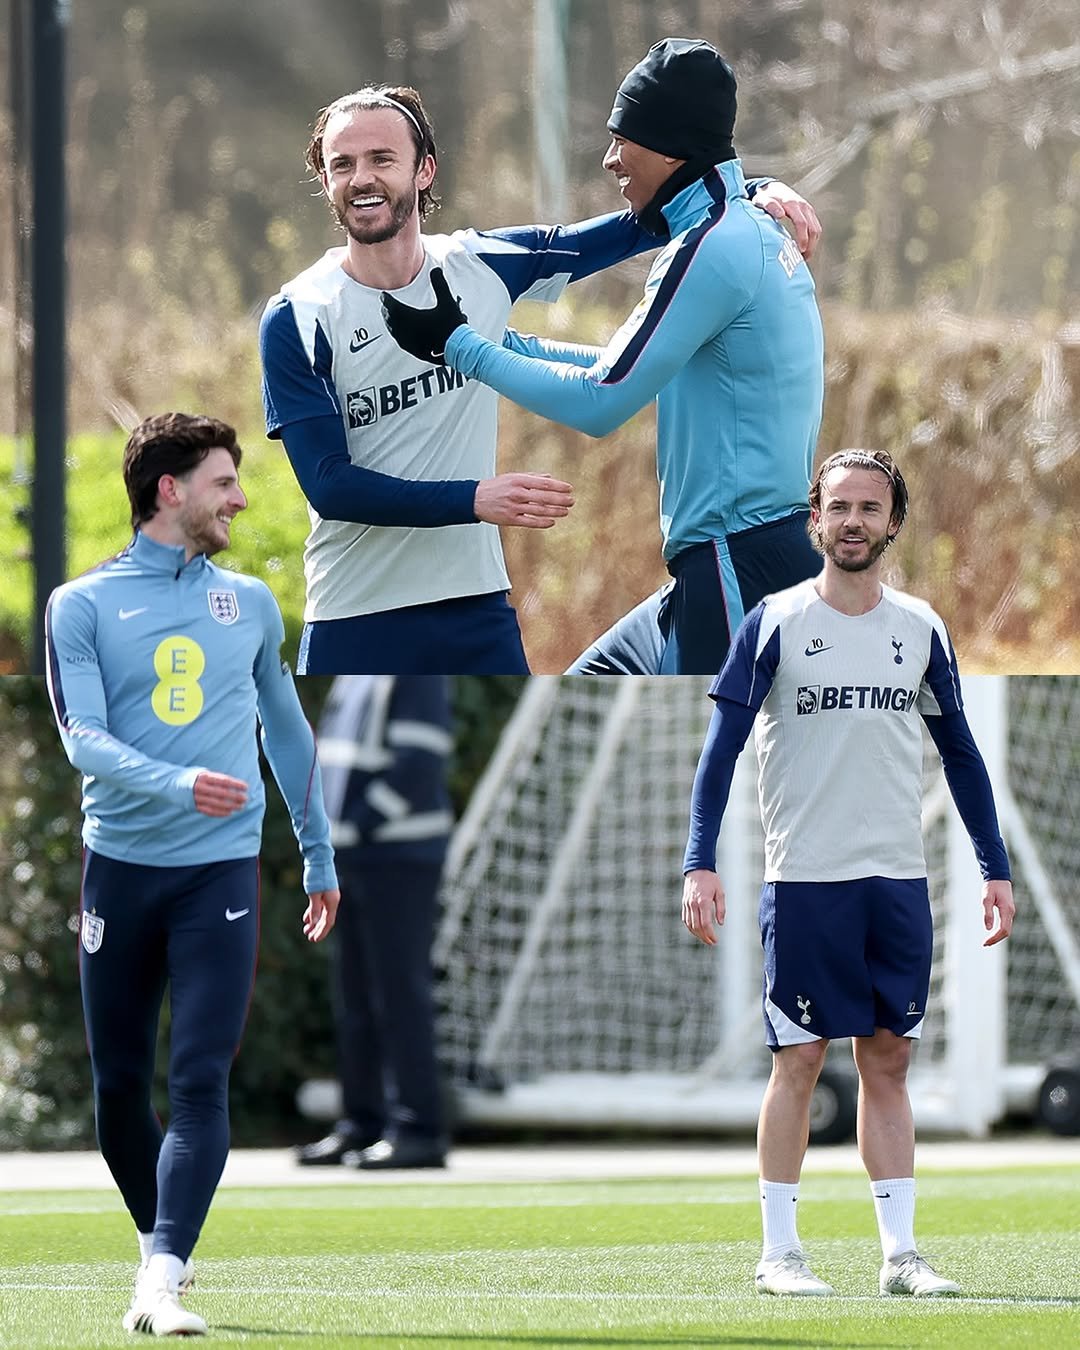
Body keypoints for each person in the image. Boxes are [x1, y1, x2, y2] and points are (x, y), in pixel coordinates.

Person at [260, 80, 819, 675]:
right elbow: (329, 485)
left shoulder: (479, 267)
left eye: (380, 159)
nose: (360, 177)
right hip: (354, 617)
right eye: (341, 164)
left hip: (474, 609)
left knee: (530, 763)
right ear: (324, 180)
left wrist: (755, 188)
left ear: (424, 171)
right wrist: (475, 499)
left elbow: (650, 217)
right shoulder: (298, 315)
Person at [680, 448, 1015, 1297]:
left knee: (890, 1060)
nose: (854, 521)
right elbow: (718, 755)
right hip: (804, 885)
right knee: (798, 1061)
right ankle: (779, 1253)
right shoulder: (775, 621)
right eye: (840, 508)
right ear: (814, 521)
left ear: (893, 522)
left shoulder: (922, 627)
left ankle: (901, 1255)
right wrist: (699, 863)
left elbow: (963, 757)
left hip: (896, 883)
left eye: (871, 508)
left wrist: (994, 869)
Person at [44, 412, 340, 1338]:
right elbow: (80, 741)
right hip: (121, 873)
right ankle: (156, 1244)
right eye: (224, 481)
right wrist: (177, 780)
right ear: (168, 491)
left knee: (200, 1077)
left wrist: (320, 852)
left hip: (220, 873)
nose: (241, 500)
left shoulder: (249, 600)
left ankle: (163, 1274)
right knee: (119, 1084)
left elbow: (286, 731)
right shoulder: (80, 605)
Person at [296, 675, 453, 1170]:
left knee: (399, 996)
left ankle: (418, 1129)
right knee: (356, 999)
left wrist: (356, 825)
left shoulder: (413, 670)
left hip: (399, 856)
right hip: (354, 856)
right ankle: (360, 1123)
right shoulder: (355, 673)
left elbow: (419, 764)